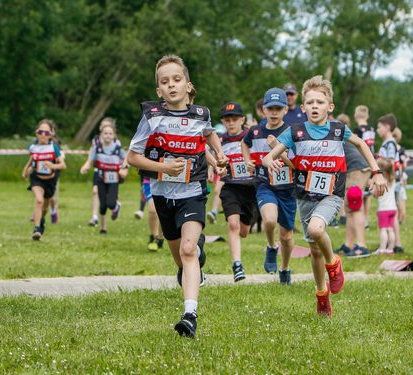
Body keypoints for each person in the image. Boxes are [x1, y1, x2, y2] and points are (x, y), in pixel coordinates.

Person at [262, 75, 386, 317]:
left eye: (320, 102)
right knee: (314, 249)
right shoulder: (295, 132)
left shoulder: (338, 129)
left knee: (318, 231)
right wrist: (269, 161)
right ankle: (322, 295)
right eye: (310, 102)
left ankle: (334, 264)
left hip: (331, 194)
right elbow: (271, 155)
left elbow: (361, 144)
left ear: (330, 107)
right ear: (303, 107)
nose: (315, 106)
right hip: (305, 195)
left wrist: (377, 172)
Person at [127, 55, 227, 338]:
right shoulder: (151, 117)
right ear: (159, 90)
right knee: (181, 259)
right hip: (162, 194)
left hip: (193, 191)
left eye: (176, 79)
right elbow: (132, 157)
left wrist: (218, 154)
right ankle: (196, 256)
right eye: (164, 82)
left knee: (186, 250)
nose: (171, 85)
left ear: (187, 84)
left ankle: (190, 315)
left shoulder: (201, 115)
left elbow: (208, 134)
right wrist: (163, 167)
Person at [242, 88, 296, 284]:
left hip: (287, 187)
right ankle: (271, 247)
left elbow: (295, 165)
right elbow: (244, 144)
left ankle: (285, 268)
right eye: (270, 108)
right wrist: (247, 161)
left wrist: (277, 149)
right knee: (270, 220)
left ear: (285, 111)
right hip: (264, 183)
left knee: (287, 236)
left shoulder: (291, 132)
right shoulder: (256, 131)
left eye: (278, 108)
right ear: (263, 110)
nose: (273, 112)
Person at [218, 102, 257, 282]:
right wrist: (219, 169)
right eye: (227, 120)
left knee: (243, 231)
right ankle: (237, 265)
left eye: (235, 119)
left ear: (242, 120)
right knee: (233, 224)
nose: (231, 123)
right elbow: (216, 164)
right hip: (231, 187)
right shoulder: (220, 141)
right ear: (223, 122)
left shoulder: (250, 137)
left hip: (250, 189)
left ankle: (245, 227)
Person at [22, 119, 67, 240]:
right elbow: (32, 159)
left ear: (51, 134)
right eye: (41, 132)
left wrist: (52, 166)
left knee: (45, 207)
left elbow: (63, 165)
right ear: (37, 132)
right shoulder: (33, 147)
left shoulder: (54, 148)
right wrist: (25, 169)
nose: (43, 135)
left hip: (50, 180)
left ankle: (41, 220)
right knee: (39, 200)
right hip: (37, 178)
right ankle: (36, 229)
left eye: (46, 133)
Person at [333, 114, 371, 258]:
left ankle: (362, 246)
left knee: (355, 207)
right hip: (352, 170)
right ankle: (349, 245)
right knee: (349, 209)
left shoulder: (331, 129)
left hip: (356, 169)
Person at [80, 124, 127, 234]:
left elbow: (126, 161)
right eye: (105, 133)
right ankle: (103, 227)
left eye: (110, 134)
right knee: (103, 205)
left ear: (114, 135)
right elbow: (90, 161)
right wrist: (85, 167)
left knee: (110, 203)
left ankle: (116, 207)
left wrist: (124, 170)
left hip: (113, 179)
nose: (107, 136)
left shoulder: (117, 149)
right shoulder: (97, 147)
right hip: (100, 178)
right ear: (101, 135)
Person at [376, 113, 403, 253]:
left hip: (389, 181)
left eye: (379, 127)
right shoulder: (388, 143)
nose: (377, 130)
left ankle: (396, 244)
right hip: (389, 180)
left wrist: (384, 178)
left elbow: (391, 163)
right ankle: (391, 243)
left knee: (392, 217)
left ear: (387, 127)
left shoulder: (390, 144)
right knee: (393, 213)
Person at [373, 158, 397, 254]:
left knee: (383, 229)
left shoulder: (381, 182)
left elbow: (376, 194)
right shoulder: (392, 179)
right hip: (393, 208)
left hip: (383, 209)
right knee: (390, 229)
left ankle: (382, 249)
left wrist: (372, 190)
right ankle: (390, 249)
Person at [393, 127, 408, 224]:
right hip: (401, 175)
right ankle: (400, 218)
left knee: (398, 199)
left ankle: (400, 218)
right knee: (400, 198)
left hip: (397, 176)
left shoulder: (392, 148)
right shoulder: (402, 149)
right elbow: (405, 163)